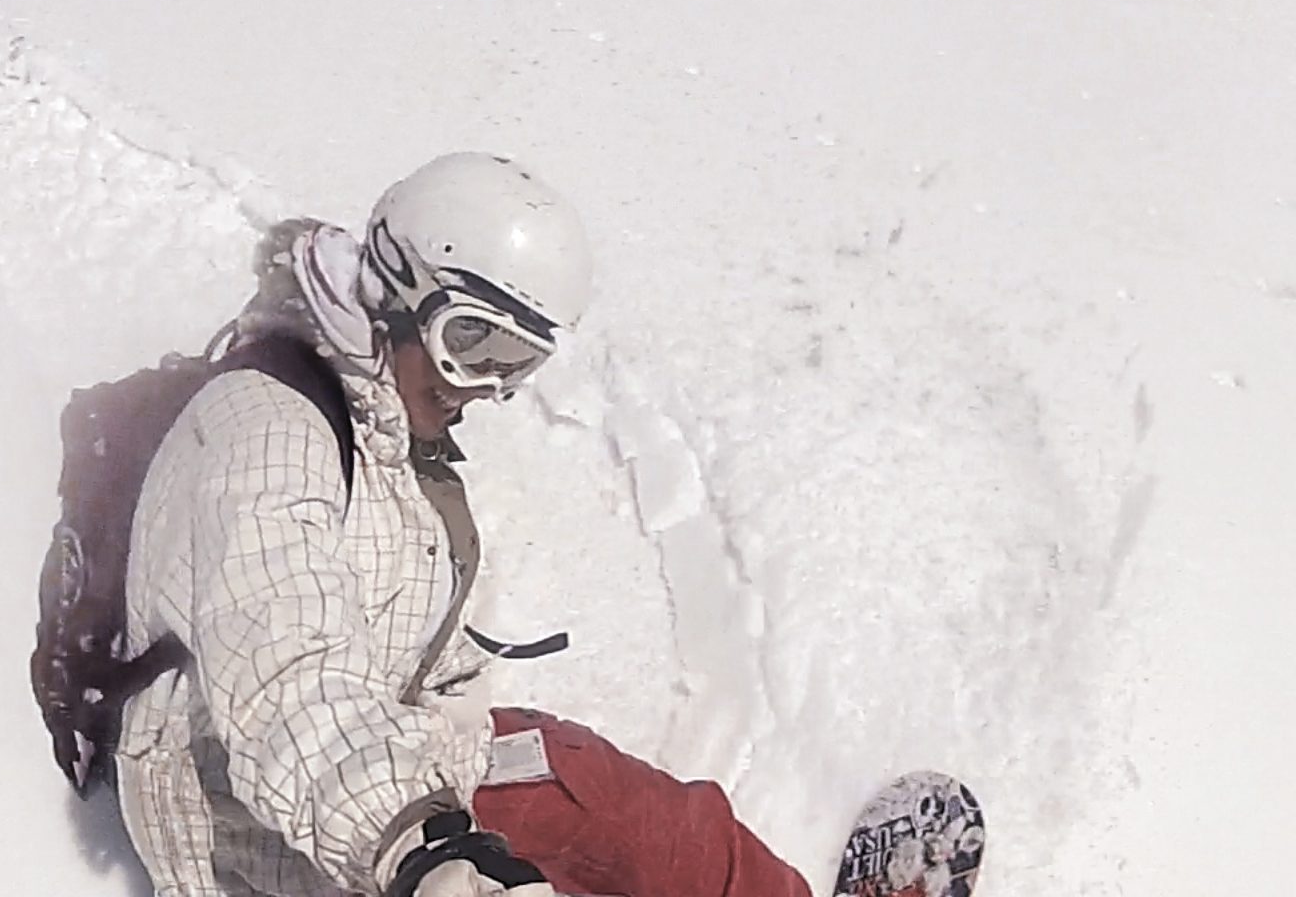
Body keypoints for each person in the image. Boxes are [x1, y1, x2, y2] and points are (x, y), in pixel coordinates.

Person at [115, 152, 814, 897]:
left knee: (620, 806)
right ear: (394, 287)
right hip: (277, 837)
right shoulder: (267, 434)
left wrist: (457, 741)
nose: (480, 387)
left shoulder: (377, 424)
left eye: (515, 361)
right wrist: (423, 847)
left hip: (405, 763)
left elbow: (402, 642)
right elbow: (288, 681)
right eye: (471, 343)